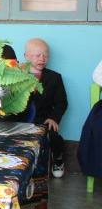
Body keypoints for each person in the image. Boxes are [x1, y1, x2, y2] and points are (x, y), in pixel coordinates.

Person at [25, 38, 67, 178]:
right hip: (22, 119)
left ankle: (58, 158)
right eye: (37, 55)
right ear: (27, 56)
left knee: (53, 137)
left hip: (44, 119)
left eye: (45, 56)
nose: (42, 59)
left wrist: (53, 118)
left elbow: (62, 102)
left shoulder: (54, 78)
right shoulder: (18, 75)